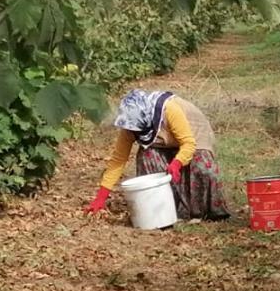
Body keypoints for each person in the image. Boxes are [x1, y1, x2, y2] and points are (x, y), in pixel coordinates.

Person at [84, 89, 231, 220]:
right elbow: (118, 160)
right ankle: (167, 207)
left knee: (201, 163)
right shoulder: (130, 125)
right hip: (162, 141)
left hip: (193, 131)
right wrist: (101, 197)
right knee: (146, 155)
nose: (134, 133)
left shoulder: (170, 110)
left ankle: (206, 210)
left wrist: (177, 163)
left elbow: (188, 143)